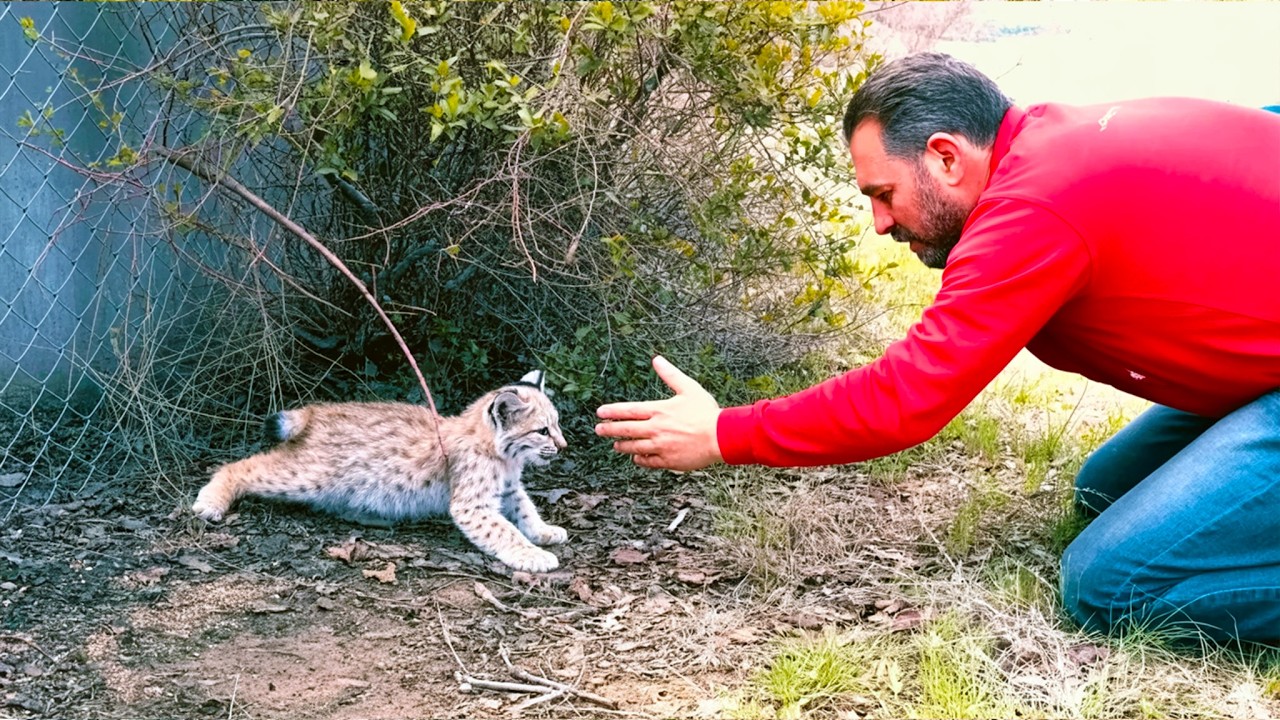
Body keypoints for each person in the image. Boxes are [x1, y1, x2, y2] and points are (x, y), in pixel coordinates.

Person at [595, 52, 1280, 644]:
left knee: (1112, 585)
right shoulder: (1052, 146)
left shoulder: (1033, 206)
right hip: (1259, 375)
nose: (879, 221)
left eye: (884, 194)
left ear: (946, 157)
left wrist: (723, 434)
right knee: (1103, 489)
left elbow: (907, 397)